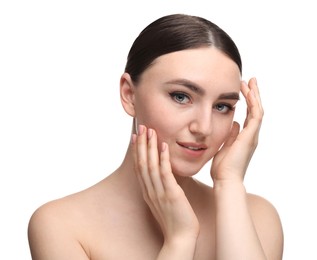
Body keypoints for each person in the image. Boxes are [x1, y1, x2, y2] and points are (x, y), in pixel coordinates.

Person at [28, 13, 284, 259]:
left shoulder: (256, 216)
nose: (204, 127)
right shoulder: (61, 225)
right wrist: (180, 241)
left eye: (222, 106)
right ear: (129, 94)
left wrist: (229, 183)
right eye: (181, 96)